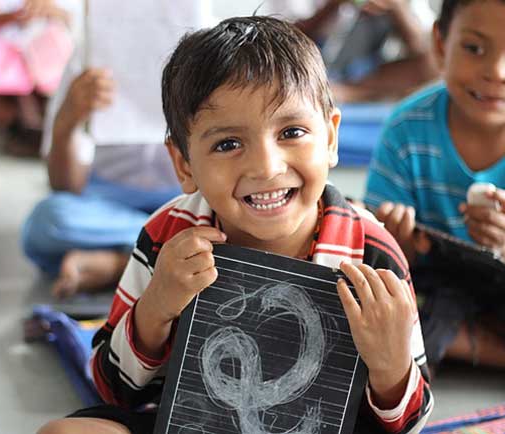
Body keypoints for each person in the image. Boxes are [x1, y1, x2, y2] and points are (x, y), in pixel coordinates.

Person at [37, 16, 433, 434]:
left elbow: (411, 421)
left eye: (292, 132)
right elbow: (111, 388)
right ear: (183, 164)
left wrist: (391, 368)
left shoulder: (372, 253)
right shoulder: (168, 236)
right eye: (228, 144)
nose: (266, 167)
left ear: (331, 139)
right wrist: (156, 308)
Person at [20, 0, 210, 298]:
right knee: (49, 220)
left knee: (237, 221)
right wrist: (67, 120)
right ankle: (160, 250)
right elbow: (65, 185)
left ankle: (119, 263)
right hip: (108, 200)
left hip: (188, 198)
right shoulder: (86, 62)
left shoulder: (212, 56)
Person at [364, 0, 505, 370]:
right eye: (474, 48)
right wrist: (399, 248)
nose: (496, 71)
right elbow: (374, 252)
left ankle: (471, 343)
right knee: (378, 312)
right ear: (441, 45)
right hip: (436, 288)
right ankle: (479, 343)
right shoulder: (406, 130)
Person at [265, 0, 438, 102]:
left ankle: (346, 93)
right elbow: (281, 41)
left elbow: (422, 49)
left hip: (368, 74)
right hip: (311, 66)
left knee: (433, 66)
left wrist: (396, 8)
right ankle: (334, 90)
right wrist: (333, 5)